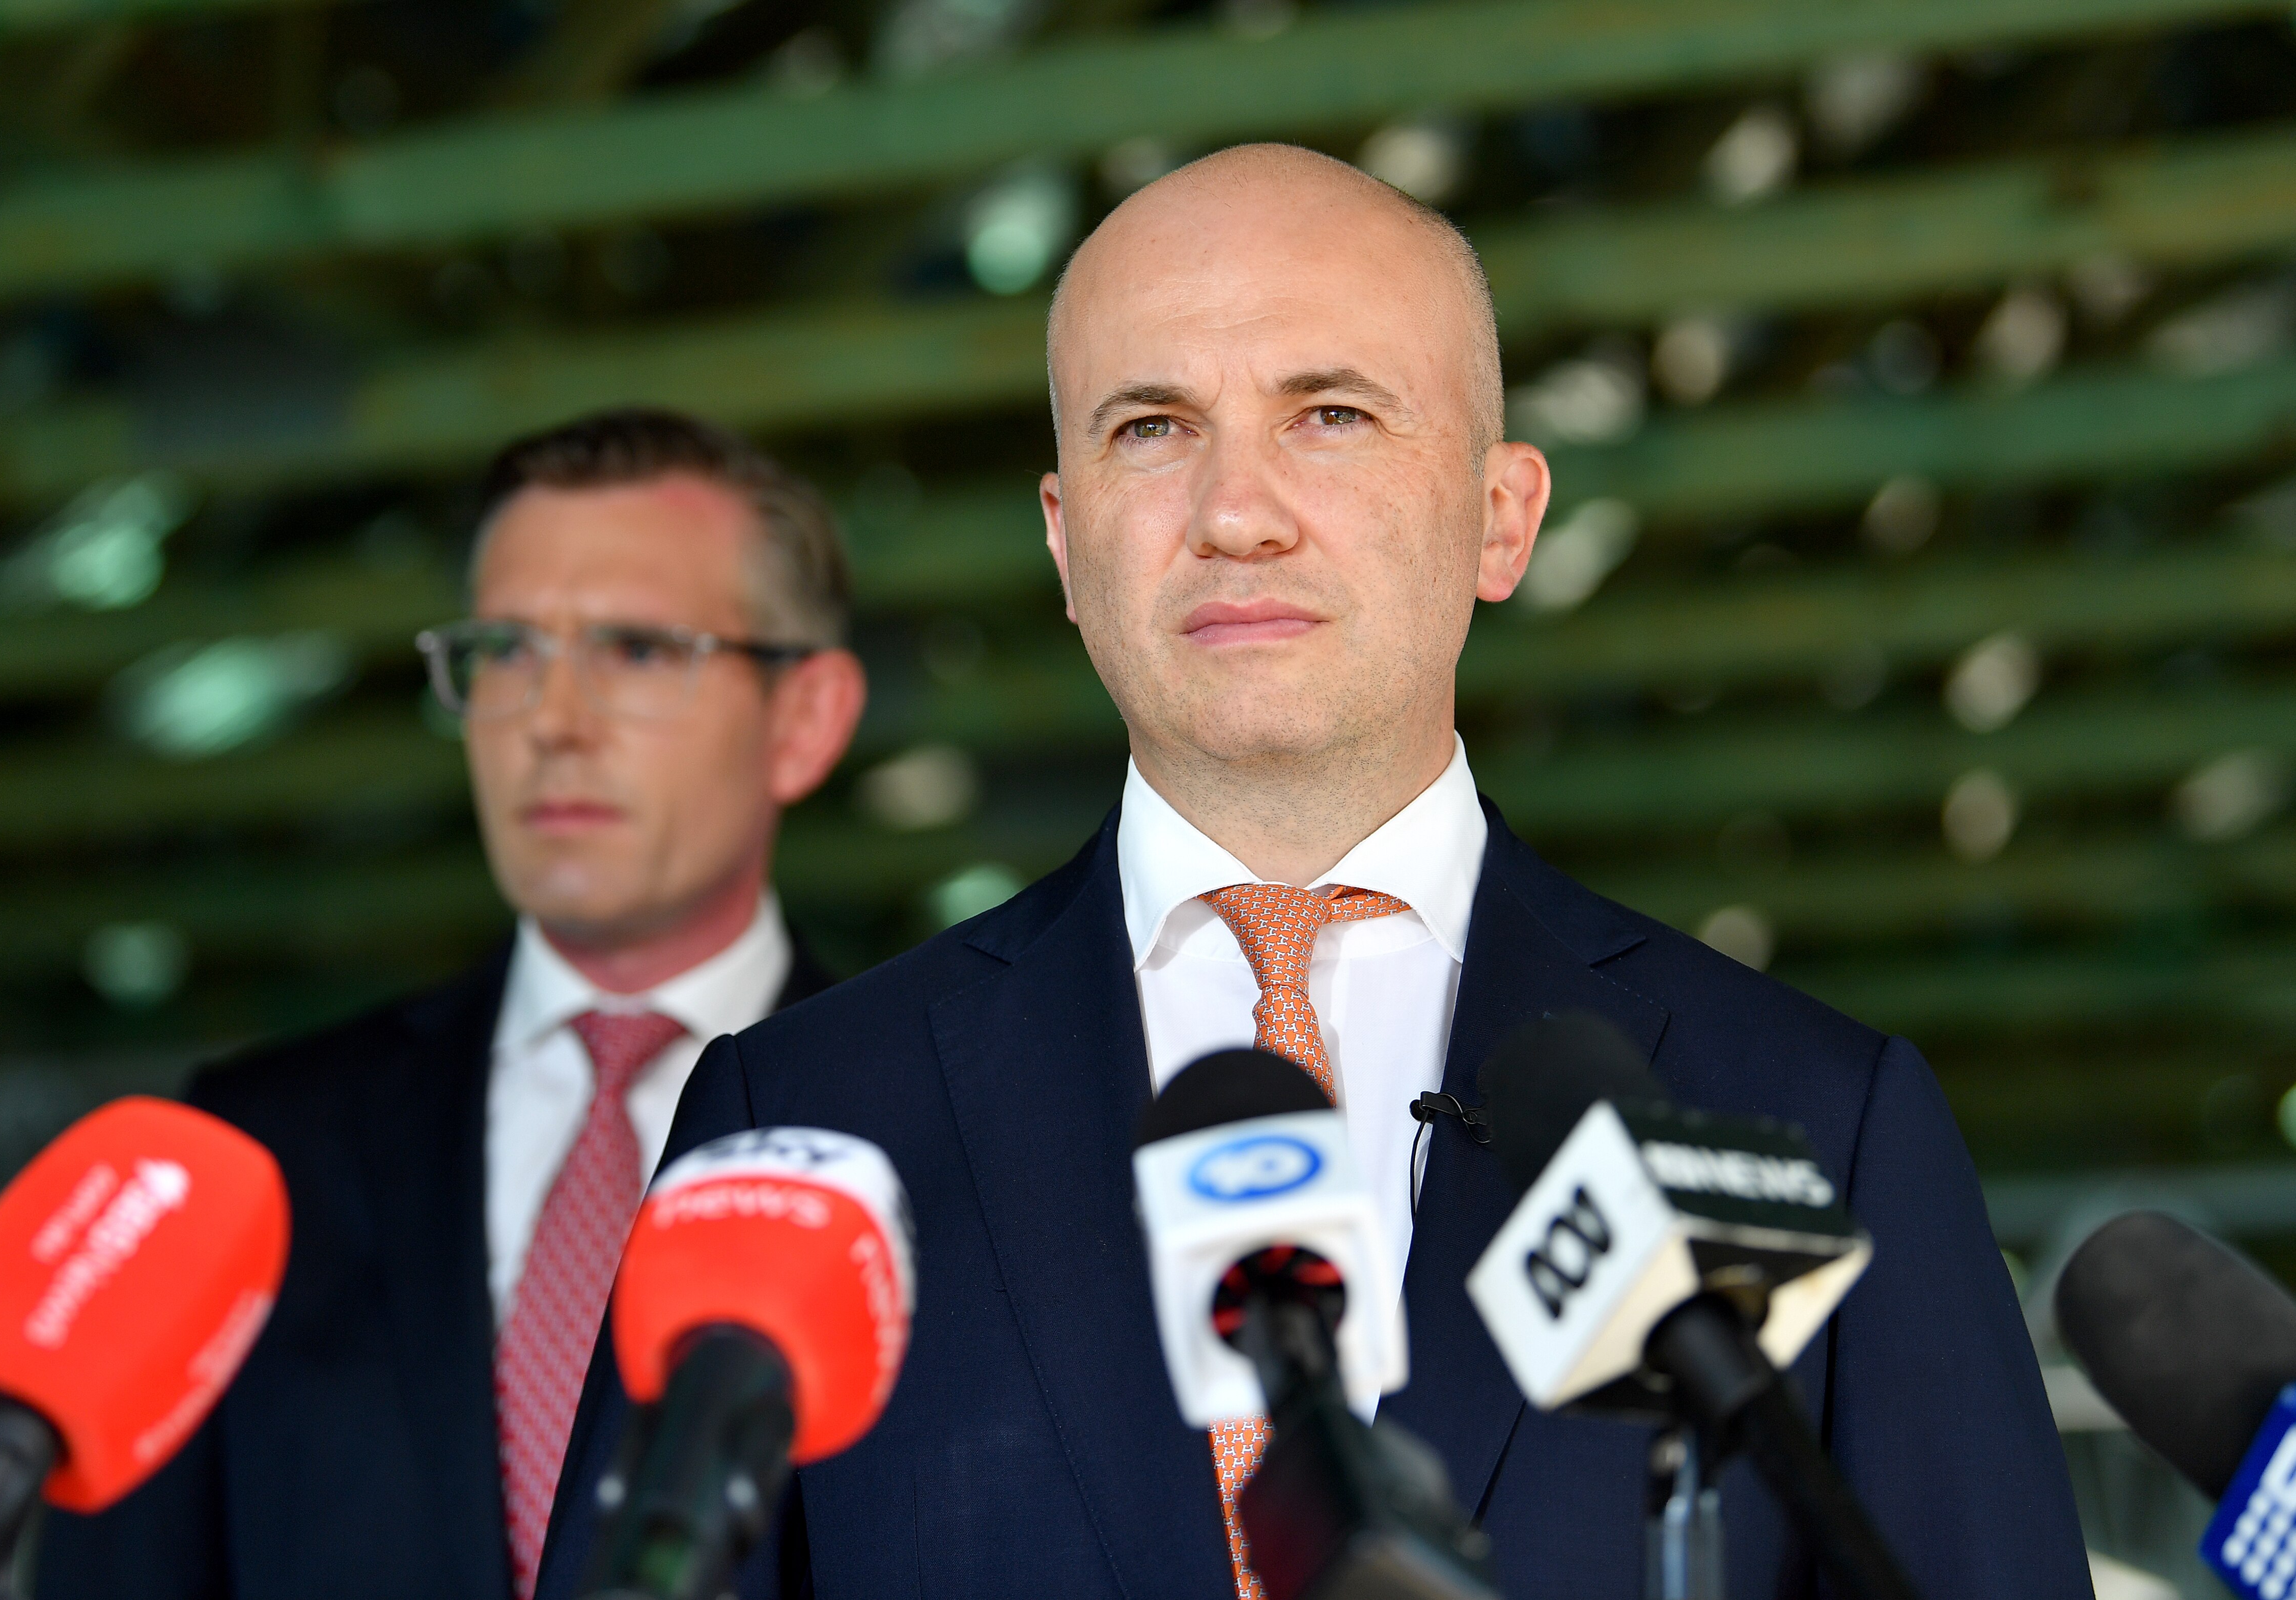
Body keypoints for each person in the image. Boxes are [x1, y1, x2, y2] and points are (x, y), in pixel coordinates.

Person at [537, 148, 2090, 1599]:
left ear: (1501, 518)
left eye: (1330, 415)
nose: (1235, 514)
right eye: (1151, 429)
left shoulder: (1821, 1123)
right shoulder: (802, 1126)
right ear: (1066, 545)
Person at [36, 409, 869, 1600]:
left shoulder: (941, 1134)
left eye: (637, 651)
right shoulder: (252, 1160)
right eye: (505, 653)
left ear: (805, 721)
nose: (552, 721)